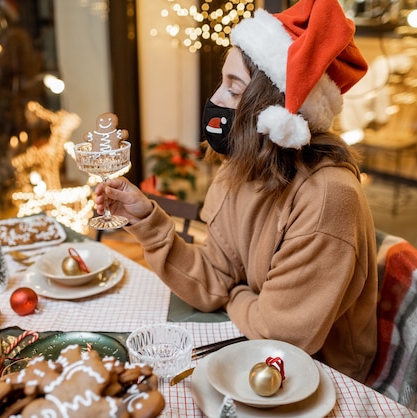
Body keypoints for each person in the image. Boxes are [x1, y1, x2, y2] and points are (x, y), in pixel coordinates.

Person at [95, 0, 378, 382]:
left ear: (274, 108)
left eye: (233, 88)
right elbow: (214, 279)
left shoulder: (328, 196)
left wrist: (238, 296)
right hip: (252, 345)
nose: (215, 100)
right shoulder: (241, 171)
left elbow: (282, 332)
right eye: (221, 83)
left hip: (318, 376)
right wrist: (145, 219)